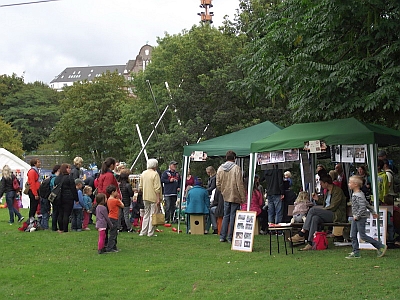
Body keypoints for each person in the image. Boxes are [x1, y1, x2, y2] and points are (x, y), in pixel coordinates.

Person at [289, 175, 347, 251]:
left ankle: (302, 233)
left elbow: (333, 206)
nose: (321, 185)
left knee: (313, 210)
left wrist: (322, 210)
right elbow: (326, 203)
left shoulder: (337, 191)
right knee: (315, 218)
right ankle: (311, 243)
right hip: (329, 213)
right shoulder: (328, 192)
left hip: (336, 215)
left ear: (326, 183)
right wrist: (318, 199)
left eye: (321, 183)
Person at [346, 175, 387, 258]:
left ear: (356, 184)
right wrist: (373, 211)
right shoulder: (357, 194)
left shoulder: (359, 195)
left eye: (350, 182)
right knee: (352, 235)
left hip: (360, 218)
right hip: (356, 217)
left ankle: (380, 246)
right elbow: (366, 204)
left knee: (363, 236)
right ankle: (356, 252)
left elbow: (362, 207)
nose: (348, 184)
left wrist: (357, 216)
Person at [216, 150, 245, 243]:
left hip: (226, 195)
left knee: (226, 216)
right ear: (234, 159)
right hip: (235, 195)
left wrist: (223, 191)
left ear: (226, 158)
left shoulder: (220, 168)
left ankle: (222, 236)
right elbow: (239, 184)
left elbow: (218, 183)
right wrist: (243, 197)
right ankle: (230, 237)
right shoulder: (236, 168)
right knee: (233, 216)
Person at [139, 158, 162, 237]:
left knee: (146, 214)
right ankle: (150, 232)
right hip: (153, 197)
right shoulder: (155, 174)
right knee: (153, 215)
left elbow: (141, 186)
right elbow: (157, 188)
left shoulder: (143, 173)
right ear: (155, 165)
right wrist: (158, 199)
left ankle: (143, 231)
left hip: (145, 196)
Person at [54, 163, 79, 233]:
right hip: (68, 197)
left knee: (60, 213)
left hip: (59, 197)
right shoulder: (69, 177)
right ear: (65, 169)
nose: (70, 169)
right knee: (66, 214)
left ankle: (60, 228)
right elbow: (73, 189)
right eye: (68, 168)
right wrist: (76, 199)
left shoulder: (58, 177)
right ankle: (65, 229)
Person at [105, 184, 124, 252]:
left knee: (113, 232)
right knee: (113, 234)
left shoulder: (108, 200)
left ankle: (114, 246)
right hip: (114, 218)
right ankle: (110, 247)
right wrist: (118, 198)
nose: (117, 193)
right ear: (113, 192)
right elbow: (122, 205)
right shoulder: (116, 200)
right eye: (116, 191)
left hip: (110, 216)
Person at [41, 164, 60, 230]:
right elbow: (54, 187)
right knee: (52, 212)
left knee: (46, 212)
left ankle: (44, 225)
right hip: (51, 196)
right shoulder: (54, 178)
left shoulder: (50, 177)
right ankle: (49, 227)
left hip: (46, 196)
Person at [50, 165, 61, 231]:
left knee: (55, 212)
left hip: (53, 196)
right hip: (56, 196)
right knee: (56, 212)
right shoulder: (55, 178)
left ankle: (54, 227)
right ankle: (54, 227)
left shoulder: (52, 178)